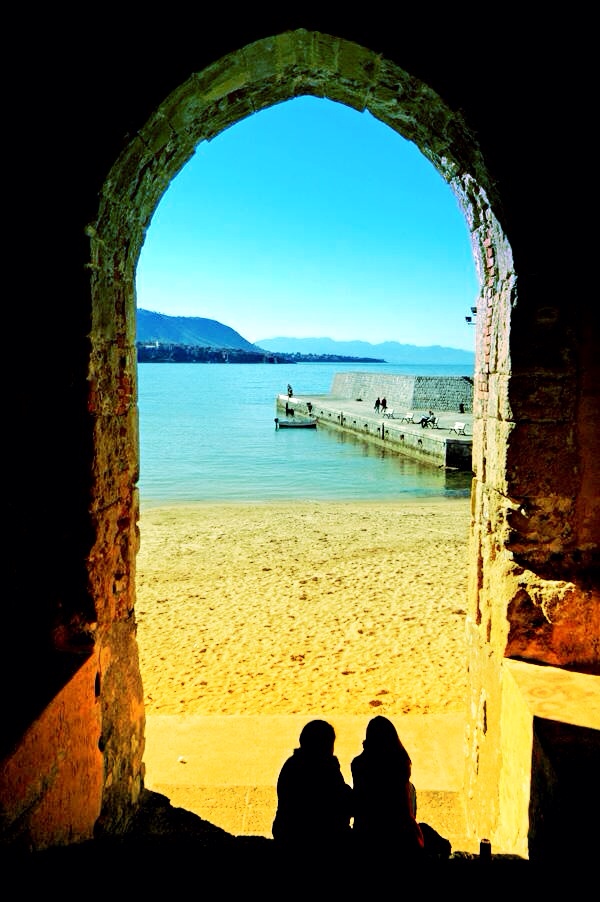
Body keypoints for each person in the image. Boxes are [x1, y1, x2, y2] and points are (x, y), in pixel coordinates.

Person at [351, 716, 450, 862]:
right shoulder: (399, 764)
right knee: (411, 790)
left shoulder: (358, 764)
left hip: (367, 837)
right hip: (401, 838)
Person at [272, 719, 353, 861]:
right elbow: (341, 803)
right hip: (317, 841)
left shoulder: (292, 764)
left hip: (289, 836)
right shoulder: (324, 769)